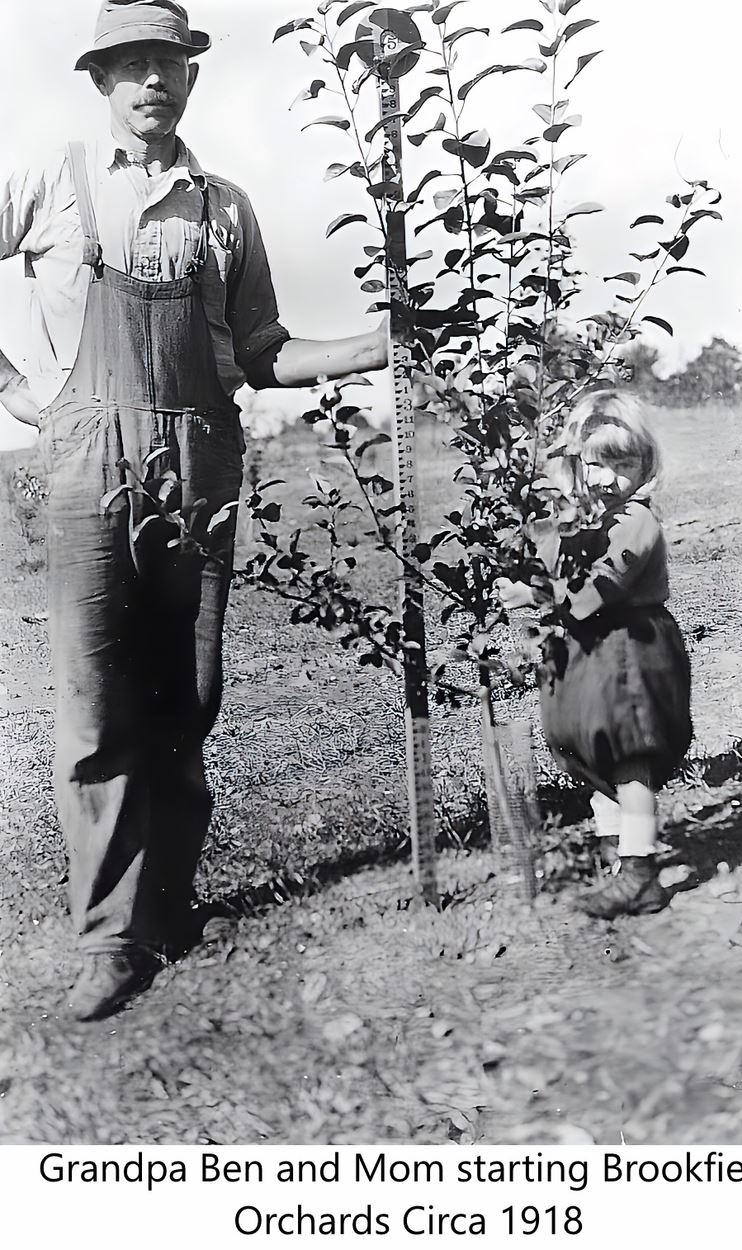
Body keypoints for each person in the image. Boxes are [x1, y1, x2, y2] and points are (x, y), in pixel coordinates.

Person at [0, 0, 389, 1021]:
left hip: (201, 462)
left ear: (191, 76)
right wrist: (10, 386)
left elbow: (259, 348)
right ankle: (111, 935)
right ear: (100, 80)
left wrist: (366, 347)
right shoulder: (54, 178)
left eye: (167, 63)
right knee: (97, 701)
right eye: (130, 65)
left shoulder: (224, 207)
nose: (151, 82)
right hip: (89, 461)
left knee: (189, 691)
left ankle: (169, 903)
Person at [497, 390, 693, 919]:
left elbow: (598, 589)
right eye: (595, 464)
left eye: (622, 463)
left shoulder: (636, 522)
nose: (607, 477)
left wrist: (535, 595)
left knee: (628, 753)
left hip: (630, 647)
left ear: (645, 464)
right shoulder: (581, 519)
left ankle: (639, 874)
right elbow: (560, 565)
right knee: (594, 748)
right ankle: (617, 855)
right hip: (592, 646)